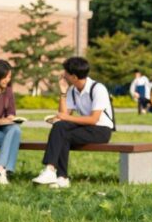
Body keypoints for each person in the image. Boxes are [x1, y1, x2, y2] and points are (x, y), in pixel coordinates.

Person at [31, 57, 114, 189]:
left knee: (63, 133)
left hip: (101, 130)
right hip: (86, 127)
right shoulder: (73, 90)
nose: (63, 75)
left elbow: (93, 119)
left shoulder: (98, 89)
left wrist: (64, 118)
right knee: (60, 126)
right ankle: (54, 173)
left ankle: (57, 175)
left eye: (66, 73)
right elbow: (64, 113)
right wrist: (63, 92)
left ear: (74, 77)